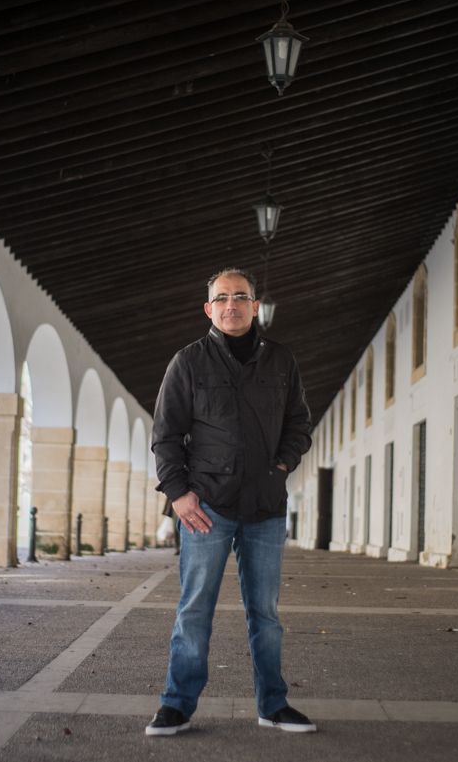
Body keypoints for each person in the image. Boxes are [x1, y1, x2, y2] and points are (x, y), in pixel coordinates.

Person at [145, 268, 314, 736]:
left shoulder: (282, 361)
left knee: (267, 614)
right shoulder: (188, 362)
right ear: (209, 309)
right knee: (194, 609)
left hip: (265, 507)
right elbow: (165, 436)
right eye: (222, 298)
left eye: (241, 297)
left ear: (256, 306)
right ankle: (176, 705)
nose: (231, 305)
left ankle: (273, 705)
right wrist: (178, 494)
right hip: (207, 509)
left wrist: (281, 465)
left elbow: (299, 423)